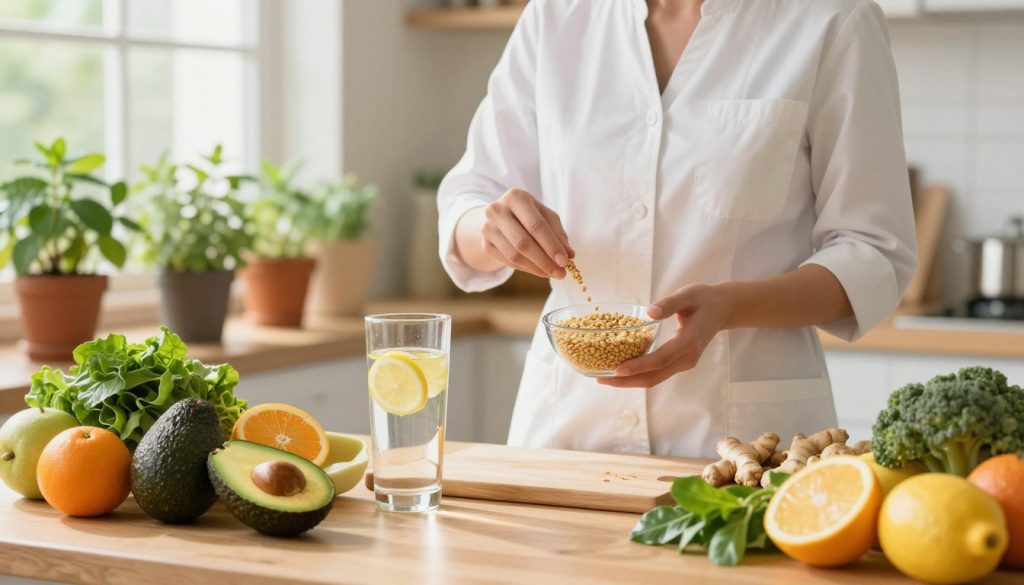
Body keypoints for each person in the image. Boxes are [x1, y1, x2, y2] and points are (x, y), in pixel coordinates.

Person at [437, 0, 917, 458]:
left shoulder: (833, 20)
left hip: (743, 448)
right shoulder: (556, 16)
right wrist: (491, 229)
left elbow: (873, 251)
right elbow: (469, 199)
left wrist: (729, 307)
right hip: (567, 433)